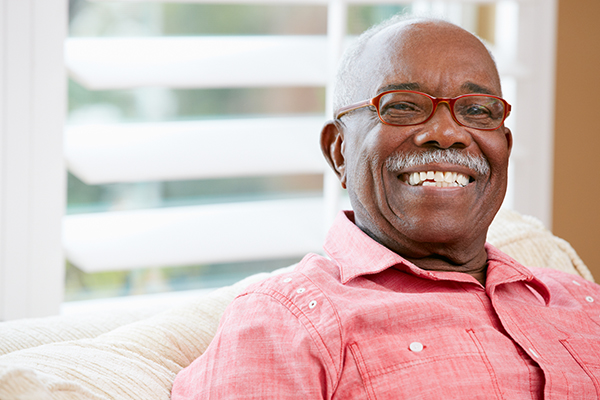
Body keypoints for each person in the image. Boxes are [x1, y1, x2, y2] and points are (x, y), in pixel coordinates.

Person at [171, 16, 600, 399]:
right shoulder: (285, 322)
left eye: (476, 110)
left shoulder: (582, 298)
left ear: (504, 148)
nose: (447, 134)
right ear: (339, 152)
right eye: (403, 107)